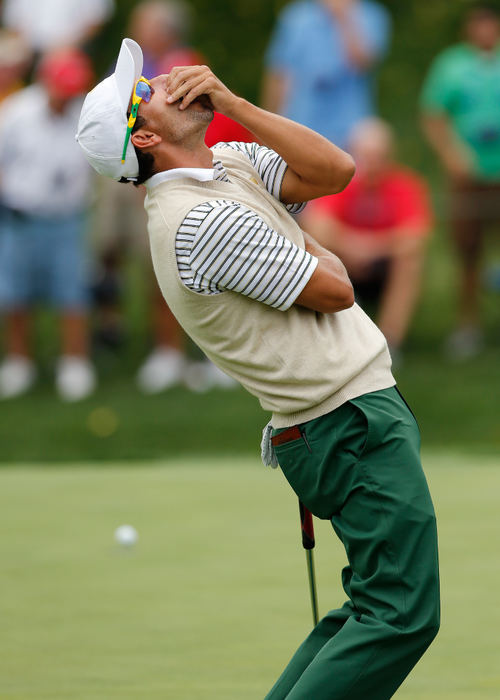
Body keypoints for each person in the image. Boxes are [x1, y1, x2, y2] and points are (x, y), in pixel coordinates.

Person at [76, 38, 440, 699]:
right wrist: (311, 246)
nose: (164, 81)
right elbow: (338, 289)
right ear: (148, 136)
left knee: (372, 606)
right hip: (344, 424)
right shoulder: (196, 220)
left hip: (348, 416)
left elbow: (334, 171)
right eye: (146, 91)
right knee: (401, 612)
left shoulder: (225, 166)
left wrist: (236, 104)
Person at [93, 0, 244, 393]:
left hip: (190, 175)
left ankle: (204, 355)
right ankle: (166, 351)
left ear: (166, 30)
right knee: (155, 265)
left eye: (144, 24)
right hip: (148, 177)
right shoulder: (142, 69)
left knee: (190, 268)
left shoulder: (184, 66)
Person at [0, 48, 96, 401]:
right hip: (20, 216)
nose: (66, 96)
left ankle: (74, 363)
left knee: (71, 293)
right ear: (45, 80)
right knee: (14, 293)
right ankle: (19, 362)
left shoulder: (85, 113)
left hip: (67, 217)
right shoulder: (16, 113)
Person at [302, 118, 432, 360]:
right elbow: (316, 225)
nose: (372, 163)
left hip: (384, 264)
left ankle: (389, 342)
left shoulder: (405, 185)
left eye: (378, 156)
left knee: (410, 261)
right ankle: (324, 341)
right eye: (366, 155)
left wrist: (369, 247)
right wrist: (353, 246)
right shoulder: (338, 183)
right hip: (343, 262)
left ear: (390, 155)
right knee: (312, 250)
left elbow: (414, 237)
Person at [421, 2, 500, 359]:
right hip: (468, 176)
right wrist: (453, 156)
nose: (484, 32)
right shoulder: (451, 65)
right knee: (467, 251)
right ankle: (467, 326)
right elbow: (433, 115)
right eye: (477, 26)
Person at [262, 0, 391, 149]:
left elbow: (364, 62)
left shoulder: (371, 15)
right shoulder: (296, 16)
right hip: (301, 122)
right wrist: (269, 125)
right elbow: (280, 75)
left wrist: (344, 19)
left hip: (351, 130)